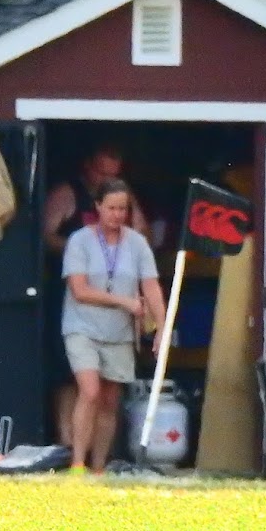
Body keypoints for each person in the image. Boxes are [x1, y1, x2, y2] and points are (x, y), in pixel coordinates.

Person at [42, 144, 150, 448]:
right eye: (102, 173)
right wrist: (85, 252)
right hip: (73, 297)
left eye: (114, 175)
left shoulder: (120, 200)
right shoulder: (68, 193)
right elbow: (44, 235)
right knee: (69, 376)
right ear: (88, 167)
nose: (107, 179)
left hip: (115, 301)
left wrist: (130, 204)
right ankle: (66, 445)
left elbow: (142, 237)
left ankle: (97, 458)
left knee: (107, 384)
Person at [61, 178, 166, 472]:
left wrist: (161, 326)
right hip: (82, 327)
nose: (118, 215)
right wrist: (124, 302)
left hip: (118, 332)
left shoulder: (137, 243)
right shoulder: (79, 241)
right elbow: (79, 291)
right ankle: (78, 464)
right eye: (112, 208)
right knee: (90, 390)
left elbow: (152, 287)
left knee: (109, 400)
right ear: (97, 207)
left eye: (123, 209)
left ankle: (98, 467)